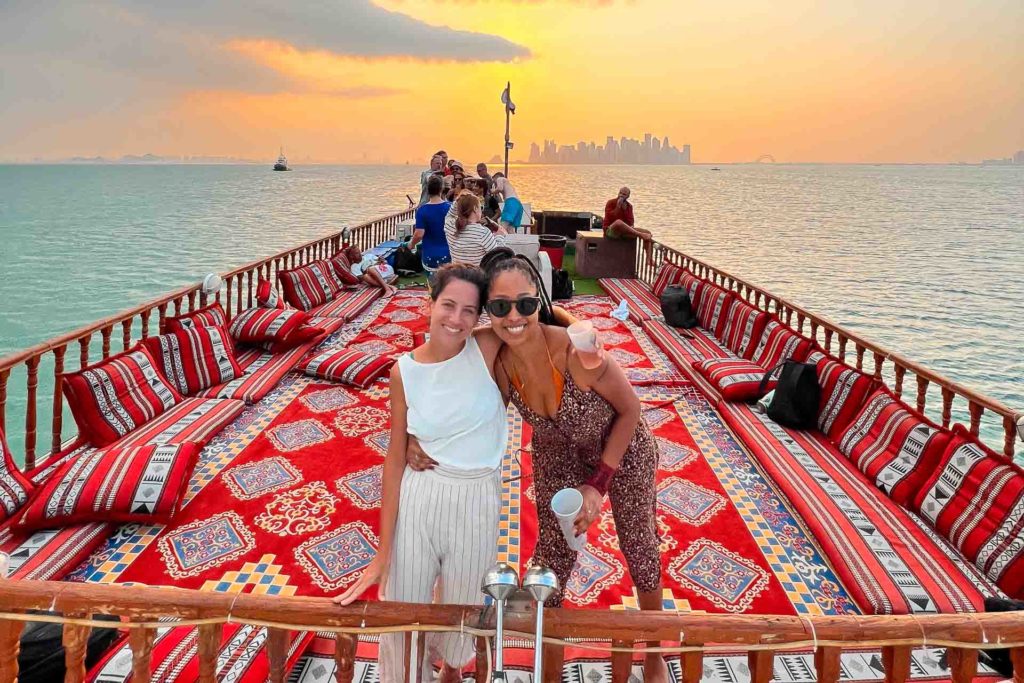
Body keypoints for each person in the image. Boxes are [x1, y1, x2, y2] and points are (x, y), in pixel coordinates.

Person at [407, 255, 667, 683]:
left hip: (623, 447)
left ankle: (655, 650)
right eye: (500, 306)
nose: (514, 317)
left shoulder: (575, 348)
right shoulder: (498, 360)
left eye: (525, 305)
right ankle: (552, 661)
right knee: (553, 556)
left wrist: (599, 484)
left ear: (539, 301)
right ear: (488, 311)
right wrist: (413, 435)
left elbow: (630, 409)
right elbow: (453, 396)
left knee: (639, 543)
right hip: (556, 449)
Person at [334, 264, 507, 683]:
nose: (456, 318)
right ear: (430, 304)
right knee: (404, 605)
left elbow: (546, 323)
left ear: (480, 316)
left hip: (477, 497)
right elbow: (394, 459)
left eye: (469, 310)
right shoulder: (404, 372)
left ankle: (450, 670)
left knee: (464, 604)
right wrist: (381, 555)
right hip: (421, 496)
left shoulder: (487, 348)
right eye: (448, 305)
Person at [444, 193, 507, 266]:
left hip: (456, 275)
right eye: (481, 207)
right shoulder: (482, 233)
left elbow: (450, 215)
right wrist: (499, 237)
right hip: (476, 276)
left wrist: (457, 202)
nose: (482, 211)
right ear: (475, 208)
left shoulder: (450, 227)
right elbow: (497, 256)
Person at [409, 174, 452, 277]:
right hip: (449, 253)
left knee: (432, 285)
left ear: (427, 189)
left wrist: (411, 244)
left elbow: (419, 234)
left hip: (430, 255)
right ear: (441, 189)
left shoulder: (422, 210)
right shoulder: (450, 208)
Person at [603, 186, 653, 258]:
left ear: (628, 196)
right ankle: (640, 234)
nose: (621, 195)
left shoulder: (629, 206)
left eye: (624, 194)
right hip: (610, 231)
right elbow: (610, 218)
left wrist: (625, 210)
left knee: (647, 232)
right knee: (618, 222)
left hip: (623, 232)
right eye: (620, 193)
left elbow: (631, 222)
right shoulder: (610, 202)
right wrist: (618, 207)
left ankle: (649, 258)